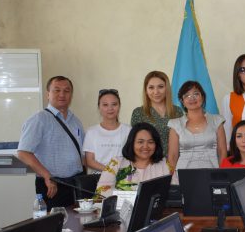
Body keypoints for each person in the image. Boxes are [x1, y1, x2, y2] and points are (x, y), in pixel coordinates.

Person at [17, 75, 84, 210]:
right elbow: (23, 153)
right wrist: (47, 176)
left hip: (76, 184)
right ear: (48, 94)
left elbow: (81, 153)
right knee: (55, 222)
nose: (62, 94)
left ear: (71, 95)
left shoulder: (76, 121)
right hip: (52, 185)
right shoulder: (39, 119)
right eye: (57, 90)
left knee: (78, 221)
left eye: (66, 91)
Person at [96, 122, 173, 198]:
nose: (145, 146)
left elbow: (174, 192)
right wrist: (131, 197)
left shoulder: (164, 164)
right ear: (132, 143)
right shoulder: (116, 163)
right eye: (140, 142)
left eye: (150, 142)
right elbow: (101, 192)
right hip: (119, 206)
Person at [168, 80, 227, 170]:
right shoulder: (175, 124)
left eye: (196, 94)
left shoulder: (217, 121)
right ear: (182, 101)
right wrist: (173, 176)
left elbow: (222, 152)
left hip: (212, 172)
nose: (192, 98)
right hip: (183, 174)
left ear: (202, 97)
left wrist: (221, 174)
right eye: (187, 95)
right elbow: (172, 156)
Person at [130, 71, 183, 157]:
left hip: (176, 161)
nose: (156, 92)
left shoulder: (177, 111)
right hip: (149, 162)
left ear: (167, 88)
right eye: (151, 87)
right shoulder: (138, 113)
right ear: (146, 90)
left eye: (160, 87)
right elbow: (136, 144)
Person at [83, 89, 132, 174]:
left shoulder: (128, 130)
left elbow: (133, 156)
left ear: (119, 106)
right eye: (105, 105)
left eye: (114, 104)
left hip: (123, 177)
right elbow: (89, 161)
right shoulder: (91, 132)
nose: (110, 108)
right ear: (99, 107)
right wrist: (111, 171)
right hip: (98, 178)